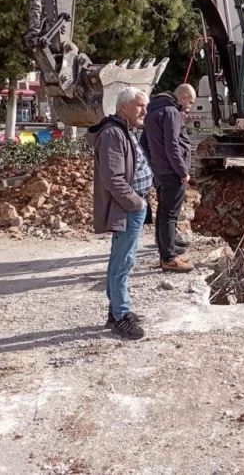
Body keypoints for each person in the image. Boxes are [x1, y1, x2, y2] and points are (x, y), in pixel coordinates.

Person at [86, 87, 152, 340]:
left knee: (121, 259)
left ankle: (116, 312)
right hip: (127, 207)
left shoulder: (124, 129)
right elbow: (113, 178)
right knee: (123, 263)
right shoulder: (114, 133)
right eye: (140, 105)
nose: (144, 111)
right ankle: (121, 315)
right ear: (123, 107)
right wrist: (136, 203)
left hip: (132, 206)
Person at [142, 83, 196, 273]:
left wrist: (154, 164)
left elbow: (144, 143)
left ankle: (167, 251)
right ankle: (169, 258)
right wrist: (182, 171)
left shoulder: (153, 111)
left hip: (160, 171)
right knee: (170, 215)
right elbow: (172, 146)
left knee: (164, 214)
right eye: (190, 101)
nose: (189, 106)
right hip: (172, 173)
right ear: (183, 98)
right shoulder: (171, 112)